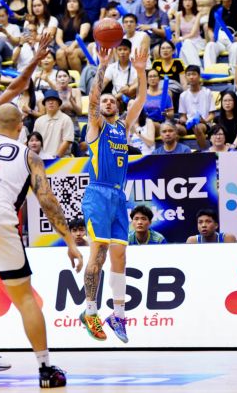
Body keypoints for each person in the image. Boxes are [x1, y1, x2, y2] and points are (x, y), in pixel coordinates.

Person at [0, 104, 83, 388]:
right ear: (20, 128)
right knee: (24, 298)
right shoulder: (30, 155)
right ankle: (45, 369)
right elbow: (47, 200)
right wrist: (69, 241)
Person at [79, 46, 148, 343]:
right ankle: (90, 310)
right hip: (97, 194)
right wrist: (102, 66)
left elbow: (141, 99)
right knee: (98, 252)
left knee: (120, 255)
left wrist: (141, 72)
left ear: (117, 106)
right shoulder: (96, 127)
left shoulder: (123, 127)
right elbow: (93, 98)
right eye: (104, 100)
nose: (107, 102)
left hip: (119, 198)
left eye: (112, 99)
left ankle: (118, 315)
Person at [178, 65, 214, 149]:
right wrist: (182, 120)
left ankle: (204, 152)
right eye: (188, 75)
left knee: (197, 127)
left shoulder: (207, 92)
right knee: (175, 128)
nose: (191, 77)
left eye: (194, 74)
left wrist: (204, 120)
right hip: (188, 124)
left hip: (204, 124)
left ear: (199, 76)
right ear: (186, 77)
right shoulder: (183, 95)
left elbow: (212, 114)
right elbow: (183, 115)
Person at [33, 90, 75, 158]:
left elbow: (67, 141)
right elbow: (35, 141)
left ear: (59, 103)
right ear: (44, 104)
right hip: (42, 159)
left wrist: (56, 158)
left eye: (53, 100)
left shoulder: (66, 119)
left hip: (62, 159)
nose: (51, 102)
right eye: (48, 100)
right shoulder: (38, 121)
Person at [55, 0, 90, 71]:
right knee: (59, 53)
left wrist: (72, 46)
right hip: (66, 45)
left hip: (82, 45)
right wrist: (64, 47)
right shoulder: (62, 19)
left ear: (79, 5)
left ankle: (78, 77)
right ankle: (65, 76)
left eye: (74, 1)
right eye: (69, 2)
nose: (71, 3)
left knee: (72, 53)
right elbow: (58, 38)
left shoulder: (84, 16)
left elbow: (83, 34)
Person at [174, 0, 205, 67]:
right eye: (185, 0)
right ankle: (197, 68)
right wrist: (177, 41)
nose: (187, 2)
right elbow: (177, 32)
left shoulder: (198, 14)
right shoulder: (178, 14)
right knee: (184, 47)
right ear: (182, 2)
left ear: (193, 2)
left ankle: (196, 68)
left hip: (196, 42)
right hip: (183, 42)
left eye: (190, 0)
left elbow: (193, 34)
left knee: (186, 44)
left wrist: (180, 39)